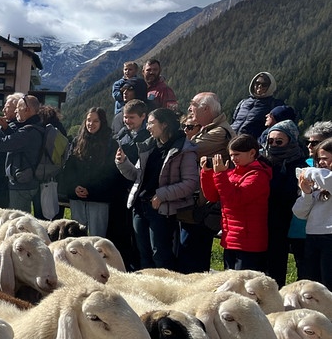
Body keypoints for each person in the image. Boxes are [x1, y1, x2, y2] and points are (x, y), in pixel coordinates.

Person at [115, 108, 198, 270]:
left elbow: (190, 183)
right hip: (140, 207)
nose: (148, 127)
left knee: (160, 255)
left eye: (152, 123)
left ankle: (165, 292)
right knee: (143, 254)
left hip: (162, 211)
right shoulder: (149, 146)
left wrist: (161, 196)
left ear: (165, 124)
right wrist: (122, 163)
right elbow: (136, 176)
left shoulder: (184, 149)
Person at [176, 91, 235, 273]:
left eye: (193, 104)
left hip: (203, 206)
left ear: (206, 109)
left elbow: (185, 151)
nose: (189, 108)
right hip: (197, 205)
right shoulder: (207, 129)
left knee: (192, 257)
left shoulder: (218, 133)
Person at [199, 134, 271, 271]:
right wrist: (207, 173)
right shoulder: (232, 173)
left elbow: (234, 200)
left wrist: (220, 175)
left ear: (252, 153)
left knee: (243, 285)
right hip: (231, 238)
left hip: (249, 242)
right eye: (231, 155)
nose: (233, 159)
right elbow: (213, 196)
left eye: (237, 154)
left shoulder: (258, 176)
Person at [262, 120, 308, 285]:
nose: (274, 145)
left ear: (291, 141)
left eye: (279, 141)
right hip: (262, 221)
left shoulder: (299, 165)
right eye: (270, 141)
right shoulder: (263, 161)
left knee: (276, 270)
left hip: (286, 223)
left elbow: (291, 194)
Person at [0, 95, 45, 212]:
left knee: (17, 220)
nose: (15, 111)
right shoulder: (35, 128)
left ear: (27, 109)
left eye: (18, 108)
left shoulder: (29, 131)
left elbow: (3, 145)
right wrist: (6, 129)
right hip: (28, 181)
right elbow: (17, 144)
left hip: (22, 184)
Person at [59, 107, 118, 237]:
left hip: (99, 198)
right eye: (88, 120)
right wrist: (74, 187)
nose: (91, 124)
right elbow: (69, 168)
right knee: (77, 236)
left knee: (97, 238)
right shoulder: (77, 141)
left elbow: (110, 173)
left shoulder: (111, 144)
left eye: (95, 121)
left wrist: (90, 189)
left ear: (102, 122)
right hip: (77, 198)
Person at [110, 99, 151, 271]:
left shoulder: (149, 138)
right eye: (125, 117)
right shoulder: (121, 134)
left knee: (139, 239)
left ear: (143, 117)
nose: (127, 121)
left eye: (132, 118)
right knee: (121, 234)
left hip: (138, 192)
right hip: (120, 190)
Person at [292, 138, 332, 287]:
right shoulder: (318, 180)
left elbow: (327, 180)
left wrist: (308, 171)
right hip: (313, 235)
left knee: (328, 283)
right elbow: (300, 213)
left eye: (325, 158)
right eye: (318, 159)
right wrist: (306, 193)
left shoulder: (322, 176)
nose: (321, 163)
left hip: (330, 237)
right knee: (312, 284)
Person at [231, 72, 282, 139]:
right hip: (231, 140)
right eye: (257, 83)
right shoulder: (243, 102)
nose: (259, 86)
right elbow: (234, 121)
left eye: (264, 84)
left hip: (251, 144)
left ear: (270, 86)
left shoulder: (274, 105)